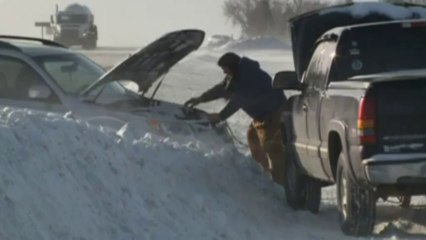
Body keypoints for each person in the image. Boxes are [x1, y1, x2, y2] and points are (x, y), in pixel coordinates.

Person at [184, 52, 287, 185]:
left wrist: (220, 116)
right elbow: (222, 88)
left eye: (225, 68)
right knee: (253, 137)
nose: (224, 72)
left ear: (232, 66)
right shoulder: (237, 74)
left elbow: (238, 101)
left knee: (272, 147)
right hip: (261, 116)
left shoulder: (250, 76)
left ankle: (281, 184)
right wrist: (201, 98)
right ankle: (266, 173)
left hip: (275, 114)